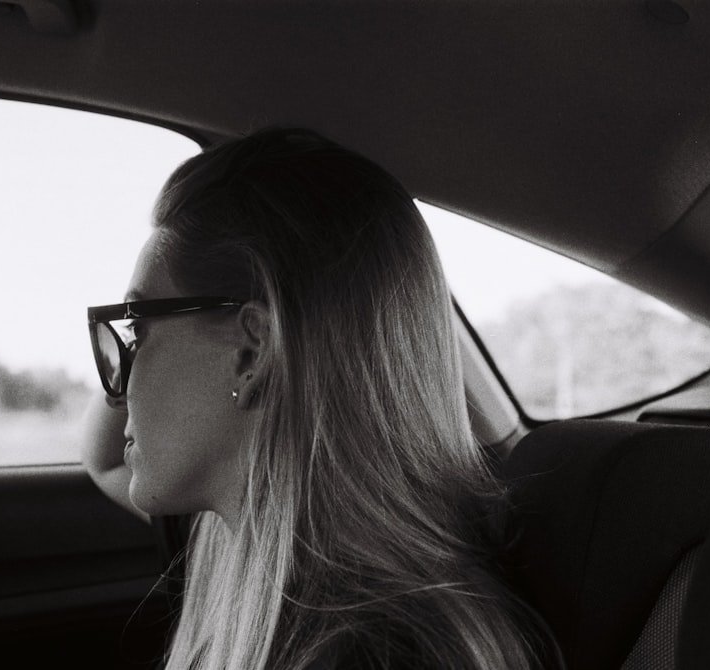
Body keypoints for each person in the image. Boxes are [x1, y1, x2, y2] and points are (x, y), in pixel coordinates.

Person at [81, 128, 557, 669]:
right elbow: (105, 460)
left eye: (138, 333)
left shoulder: (382, 654)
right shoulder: (236, 541)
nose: (116, 388)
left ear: (252, 350)